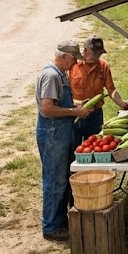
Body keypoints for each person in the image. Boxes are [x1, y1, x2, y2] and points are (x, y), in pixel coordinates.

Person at [35, 40, 92, 241]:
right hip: (52, 134)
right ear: (64, 57)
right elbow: (48, 108)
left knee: (62, 178)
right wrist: (73, 111)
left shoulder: (59, 74)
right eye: (73, 59)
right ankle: (51, 226)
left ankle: (60, 220)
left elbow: (60, 102)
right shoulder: (51, 76)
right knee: (54, 180)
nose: (75, 64)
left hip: (60, 133)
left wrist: (77, 104)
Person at [69, 34, 128, 150]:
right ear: (86, 50)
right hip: (75, 113)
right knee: (74, 150)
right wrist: (76, 106)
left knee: (95, 148)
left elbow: (111, 89)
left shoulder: (104, 66)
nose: (98, 56)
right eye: (95, 53)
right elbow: (65, 91)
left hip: (95, 115)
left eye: (99, 54)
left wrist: (121, 102)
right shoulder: (73, 65)